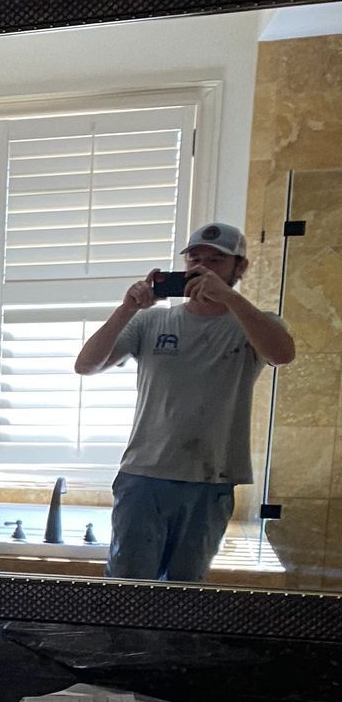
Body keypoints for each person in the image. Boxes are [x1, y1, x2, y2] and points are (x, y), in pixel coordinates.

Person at [73, 222, 295, 584]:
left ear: (240, 268)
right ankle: (125, 644)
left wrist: (230, 299)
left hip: (211, 481)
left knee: (184, 593)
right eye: (195, 259)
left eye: (216, 261)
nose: (202, 268)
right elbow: (86, 365)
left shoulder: (256, 324)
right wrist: (127, 308)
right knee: (128, 589)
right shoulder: (151, 322)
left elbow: (282, 354)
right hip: (144, 476)